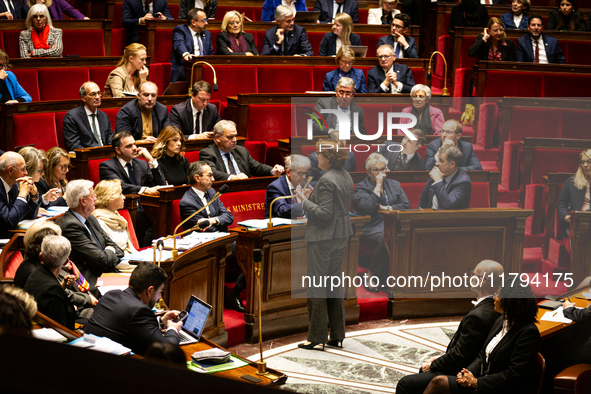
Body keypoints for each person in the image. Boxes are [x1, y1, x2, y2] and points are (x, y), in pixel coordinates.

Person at [396, 260, 504, 394]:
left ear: (480, 281)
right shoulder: (496, 309)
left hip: (461, 372)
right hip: (473, 367)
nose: (470, 277)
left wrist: (434, 364)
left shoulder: (478, 316)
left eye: (473, 274)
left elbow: (460, 356)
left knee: (405, 384)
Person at [421, 283, 540, 394]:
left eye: (498, 295)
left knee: (439, 382)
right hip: (480, 380)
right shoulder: (501, 321)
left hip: (497, 388)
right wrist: (468, 373)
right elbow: (482, 355)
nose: (494, 298)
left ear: (510, 301)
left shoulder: (528, 332)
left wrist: (476, 382)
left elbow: (513, 375)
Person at [294, 139, 354, 350]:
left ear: (328, 158)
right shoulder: (344, 175)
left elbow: (325, 213)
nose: (316, 156)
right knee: (334, 283)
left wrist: (304, 201)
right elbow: (335, 206)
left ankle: (316, 337)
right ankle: (337, 334)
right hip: (340, 235)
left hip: (323, 238)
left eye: (319, 154)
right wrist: (314, 199)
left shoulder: (327, 179)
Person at [85, 262, 183, 355]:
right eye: (160, 291)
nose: (159, 297)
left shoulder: (110, 295)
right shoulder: (140, 311)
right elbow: (168, 350)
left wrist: (161, 322)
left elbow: (134, 328)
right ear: (150, 290)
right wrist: (172, 329)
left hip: (87, 354)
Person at [15, 221, 97, 320]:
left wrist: (63, 285)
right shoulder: (37, 272)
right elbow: (52, 296)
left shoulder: (43, 264)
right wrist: (77, 304)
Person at [353, 153, 410, 290]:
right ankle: (371, 275)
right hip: (369, 226)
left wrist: (386, 208)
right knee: (386, 237)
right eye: (375, 170)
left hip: (391, 224)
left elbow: (406, 205)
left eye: (383, 169)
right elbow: (369, 208)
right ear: (368, 172)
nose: (380, 173)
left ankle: (398, 276)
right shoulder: (361, 188)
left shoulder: (394, 184)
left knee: (402, 234)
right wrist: (378, 185)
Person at [99, 131, 164, 247]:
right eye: (129, 146)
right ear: (118, 150)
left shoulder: (142, 164)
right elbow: (120, 186)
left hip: (146, 207)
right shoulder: (107, 166)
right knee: (147, 221)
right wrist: (144, 189)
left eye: (134, 144)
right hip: (124, 206)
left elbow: (160, 184)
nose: (134, 148)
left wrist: (150, 160)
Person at [59, 179, 125, 295]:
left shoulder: (91, 218)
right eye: (92, 195)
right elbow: (102, 260)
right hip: (92, 280)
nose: (95, 198)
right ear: (83, 201)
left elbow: (117, 248)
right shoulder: (71, 226)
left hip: (106, 273)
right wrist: (110, 251)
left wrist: (109, 253)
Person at [200, 120, 285, 181]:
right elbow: (212, 172)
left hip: (245, 189)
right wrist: (232, 177)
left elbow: (256, 167)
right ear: (218, 138)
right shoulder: (207, 153)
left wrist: (272, 170)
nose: (234, 140)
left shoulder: (241, 151)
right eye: (230, 137)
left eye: (235, 136)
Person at [24, 235, 76, 330]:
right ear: (66, 262)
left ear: (40, 256)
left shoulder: (34, 275)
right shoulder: (53, 290)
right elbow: (61, 331)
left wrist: (63, 286)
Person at [0, 151, 40, 239]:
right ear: (10, 170)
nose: (26, 173)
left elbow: (28, 216)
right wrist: (22, 195)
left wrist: (34, 196)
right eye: (23, 169)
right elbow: (9, 222)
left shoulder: (13, 185)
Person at [93, 179, 138, 256]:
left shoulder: (117, 217)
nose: (124, 197)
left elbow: (129, 246)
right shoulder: (99, 221)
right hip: (117, 261)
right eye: (120, 194)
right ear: (110, 197)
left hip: (128, 257)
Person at [419, 145, 472, 210]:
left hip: (449, 218)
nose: (436, 163)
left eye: (441, 160)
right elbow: (423, 199)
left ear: (452, 164)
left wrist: (438, 181)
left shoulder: (463, 182)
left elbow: (448, 204)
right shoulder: (438, 172)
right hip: (430, 216)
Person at [63, 81, 112, 151]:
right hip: (87, 157)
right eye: (93, 94)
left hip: (106, 155)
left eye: (99, 93)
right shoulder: (72, 117)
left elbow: (109, 140)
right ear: (83, 98)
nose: (97, 97)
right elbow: (73, 145)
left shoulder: (104, 116)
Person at [171, 8, 213, 83]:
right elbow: (179, 44)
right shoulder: (180, 30)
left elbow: (210, 53)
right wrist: (185, 54)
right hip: (185, 67)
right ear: (193, 22)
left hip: (203, 67)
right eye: (203, 20)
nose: (206, 23)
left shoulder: (207, 34)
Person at [556, 149, 591, 237]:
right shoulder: (571, 182)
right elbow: (561, 203)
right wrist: (565, 216)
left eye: (588, 161)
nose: (585, 165)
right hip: (576, 224)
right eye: (583, 162)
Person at [265, 154, 312, 219]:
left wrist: (313, 199)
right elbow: (282, 210)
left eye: (305, 173)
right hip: (284, 227)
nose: (304, 177)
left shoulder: (305, 185)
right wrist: (305, 205)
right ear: (288, 172)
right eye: (300, 173)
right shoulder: (275, 187)